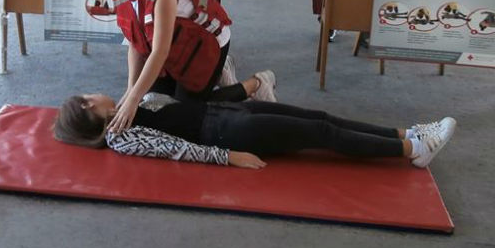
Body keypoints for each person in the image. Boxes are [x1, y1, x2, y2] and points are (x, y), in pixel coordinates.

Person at [104, 0, 277, 133]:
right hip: (178, 45)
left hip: (208, 43)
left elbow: (159, 52)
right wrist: (130, 89)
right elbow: (135, 43)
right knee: (153, 101)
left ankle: (256, 83)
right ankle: (220, 71)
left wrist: (133, 99)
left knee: (186, 112)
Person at [54, 93, 456, 170]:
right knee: (320, 133)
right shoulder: (121, 136)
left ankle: (405, 133)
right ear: (89, 108)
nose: (95, 93)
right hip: (230, 131)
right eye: (88, 97)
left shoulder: (125, 109)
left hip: (228, 112)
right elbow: (173, 147)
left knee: (320, 117)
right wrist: (229, 157)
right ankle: (413, 150)